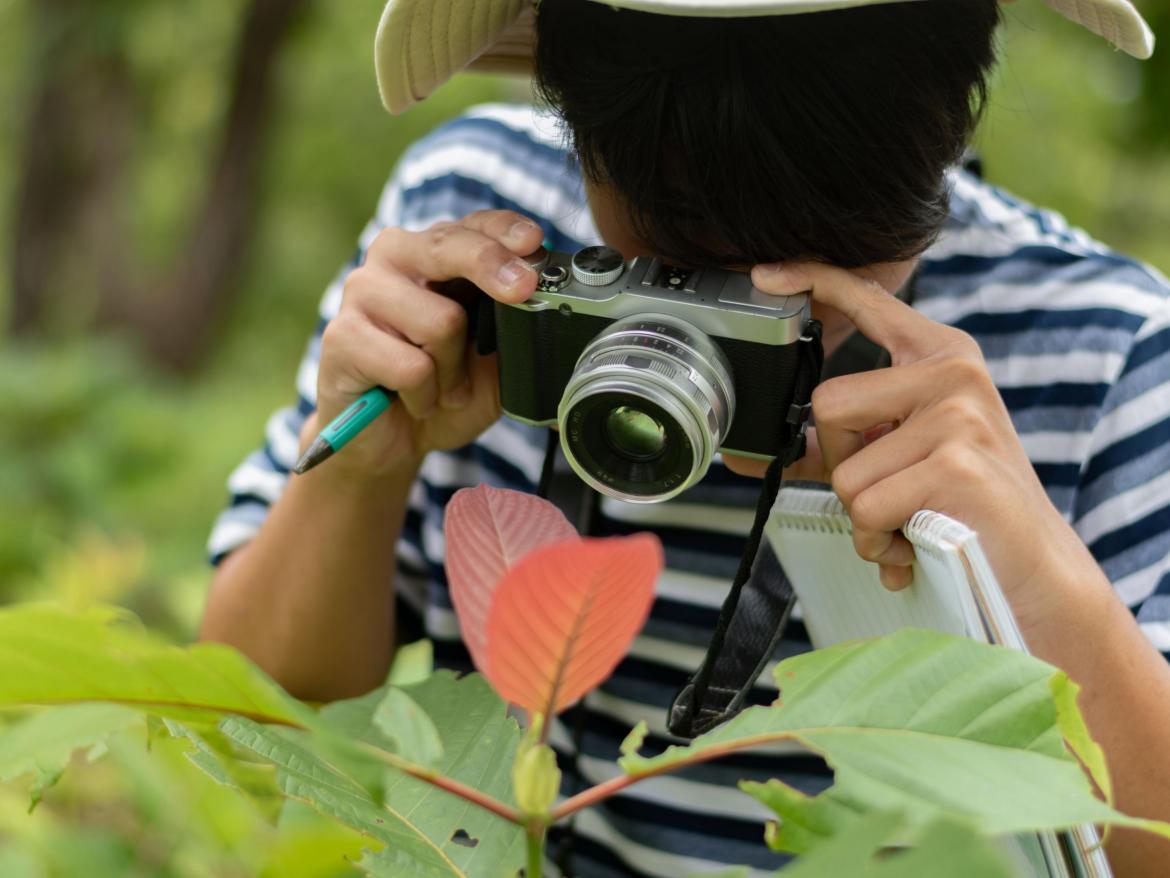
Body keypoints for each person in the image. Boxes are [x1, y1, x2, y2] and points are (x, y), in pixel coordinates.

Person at [200, 0, 1170, 874]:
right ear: (575, 129)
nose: (746, 317)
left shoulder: (1104, 349)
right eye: (674, 270)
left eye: (821, 276)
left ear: (948, 127)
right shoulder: (478, 237)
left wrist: (1032, 570)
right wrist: (359, 473)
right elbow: (257, 712)